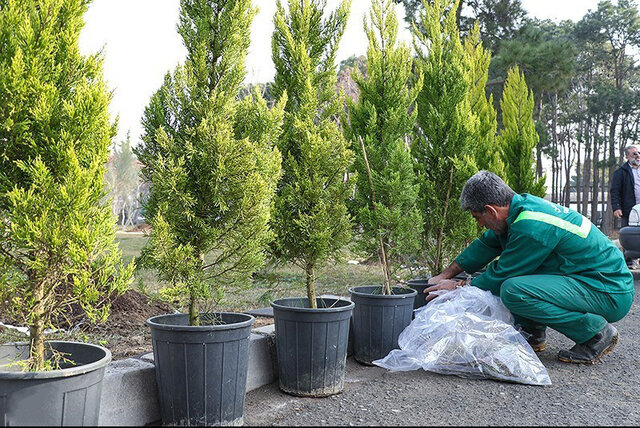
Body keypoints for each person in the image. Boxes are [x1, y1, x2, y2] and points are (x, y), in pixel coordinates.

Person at [425, 170, 634, 364]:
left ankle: (595, 334)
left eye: (478, 218)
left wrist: (459, 286)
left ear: (490, 210)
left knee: (513, 289)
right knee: (519, 281)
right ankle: (532, 333)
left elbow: (501, 275)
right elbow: (486, 245)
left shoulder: (531, 226)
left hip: (608, 290)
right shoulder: (519, 211)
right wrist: (445, 274)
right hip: (593, 281)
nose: (480, 224)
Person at [611, 144, 640, 268]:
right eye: (635, 154)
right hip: (630, 210)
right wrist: (616, 207)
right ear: (627, 156)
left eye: (639, 153)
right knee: (630, 237)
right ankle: (629, 262)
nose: (638, 156)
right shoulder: (621, 172)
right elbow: (615, 190)